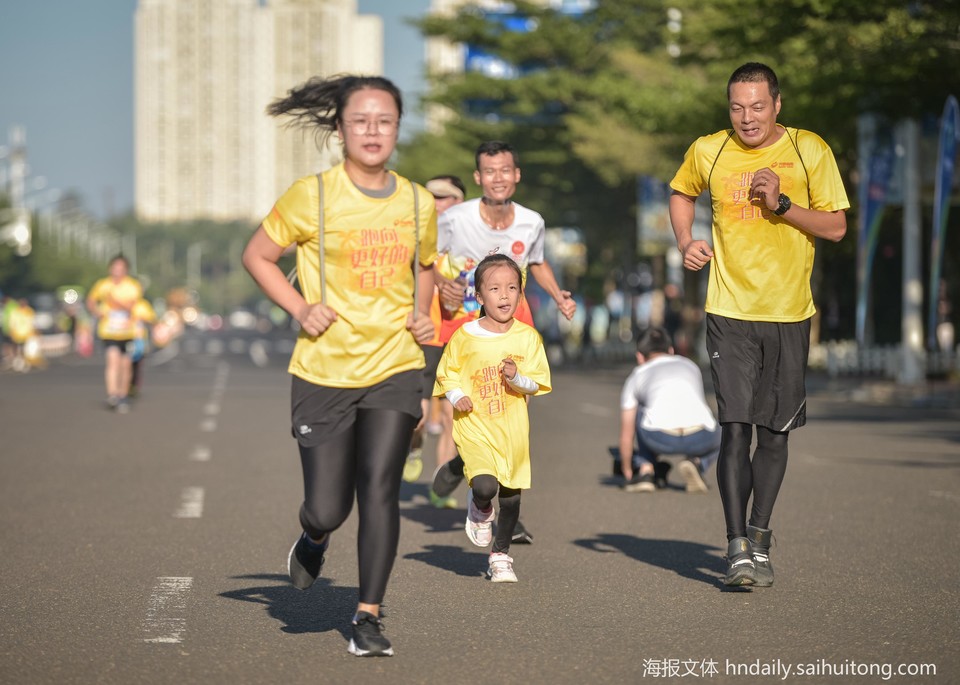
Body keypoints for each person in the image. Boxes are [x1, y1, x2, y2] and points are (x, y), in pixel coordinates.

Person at [242, 74, 437, 656]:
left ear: (398, 128)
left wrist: (422, 312)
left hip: (395, 365)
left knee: (381, 488)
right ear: (340, 129)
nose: (373, 131)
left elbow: (426, 265)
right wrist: (301, 308)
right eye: (361, 121)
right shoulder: (313, 195)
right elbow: (258, 255)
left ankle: (368, 616)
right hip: (324, 369)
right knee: (329, 505)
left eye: (385, 121)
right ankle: (312, 537)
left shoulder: (417, 200)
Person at [668, 63, 848, 587]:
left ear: (777, 105)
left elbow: (835, 226)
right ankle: (736, 547)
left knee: (774, 434)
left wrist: (783, 204)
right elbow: (681, 192)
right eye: (736, 107)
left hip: (790, 313)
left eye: (757, 106)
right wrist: (685, 241)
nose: (746, 118)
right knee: (734, 427)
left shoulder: (809, 150)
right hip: (730, 311)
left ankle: (761, 536)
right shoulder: (710, 150)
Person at [429, 140, 577, 541]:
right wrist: (444, 286)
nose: (498, 178)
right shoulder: (455, 218)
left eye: (505, 170)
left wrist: (558, 293)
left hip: (513, 322)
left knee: (512, 414)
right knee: (467, 405)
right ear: (478, 177)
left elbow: (538, 262)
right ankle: (466, 465)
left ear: (516, 175)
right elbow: (423, 259)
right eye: (489, 171)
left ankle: (509, 508)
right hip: (464, 324)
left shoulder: (531, 221)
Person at [433, 253, 551, 582]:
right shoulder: (465, 335)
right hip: (474, 427)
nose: (504, 295)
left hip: (512, 431)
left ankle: (500, 556)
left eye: (512, 287)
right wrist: (458, 397)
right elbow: (448, 375)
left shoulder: (528, 338)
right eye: (495, 288)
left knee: (511, 501)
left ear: (520, 293)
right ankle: (480, 508)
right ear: (480, 297)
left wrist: (515, 378)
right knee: (485, 487)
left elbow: (537, 382)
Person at [401, 175, 466, 506]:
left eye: (441, 196)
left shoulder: (473, 239)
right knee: (421, 414)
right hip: (425, 334)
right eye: (429, 195)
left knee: (456, 415)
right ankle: (414, 447)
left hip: (461, 337)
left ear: (460, 202)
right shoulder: (414, 233)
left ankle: (440, 487)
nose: (433, 201)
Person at [617, 326, 720, 494]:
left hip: (660, 437)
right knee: (720, 428)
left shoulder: (638, 374)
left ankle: (646, 470)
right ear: (671, 351)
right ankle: (698, 463)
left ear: (640, 357)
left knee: (640, 410)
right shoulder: (691, 366)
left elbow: (626, 435)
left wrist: (627, 471)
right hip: (701, 437)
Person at [86, 255, 143, 413]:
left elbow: (130, 307)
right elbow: (90, 301)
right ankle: (113, 395)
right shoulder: (102, 285)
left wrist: (113, 301)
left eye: (121, 268)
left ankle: (123, 395)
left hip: (127, 331)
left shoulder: (132, 286)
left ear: (126, 270)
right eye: (114, 267)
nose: (117, 271)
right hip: (109, 331)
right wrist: (97, 312)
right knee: (112, 361)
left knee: (125, 365)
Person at [129, 297, 157, 398]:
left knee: (137, 364)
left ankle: (134, 385)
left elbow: (152, 319)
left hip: (139, 339)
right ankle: (124, 385)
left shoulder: (143, 305)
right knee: (125, 363)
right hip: (125, 338)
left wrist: (142, 318)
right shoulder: (120, 302)